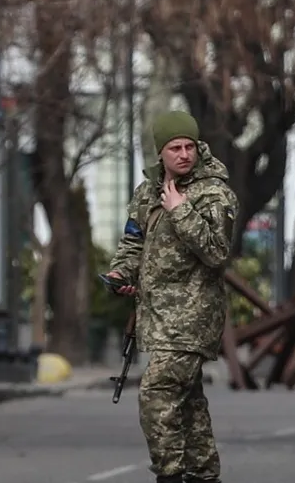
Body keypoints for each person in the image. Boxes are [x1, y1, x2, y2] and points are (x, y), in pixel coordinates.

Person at [105, 110, 239, 483]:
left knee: (157, 391)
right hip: (157, 316)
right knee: (189, 404)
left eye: (189, 147)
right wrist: (120, 273)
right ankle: (202, 474)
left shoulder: (213, 192)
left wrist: (180, 211)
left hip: (193, 316)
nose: (184, 154)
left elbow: (216, 252)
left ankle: (169, 475)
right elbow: (133, 242)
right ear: (160, 152)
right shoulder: (148, 192)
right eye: (174, 148)